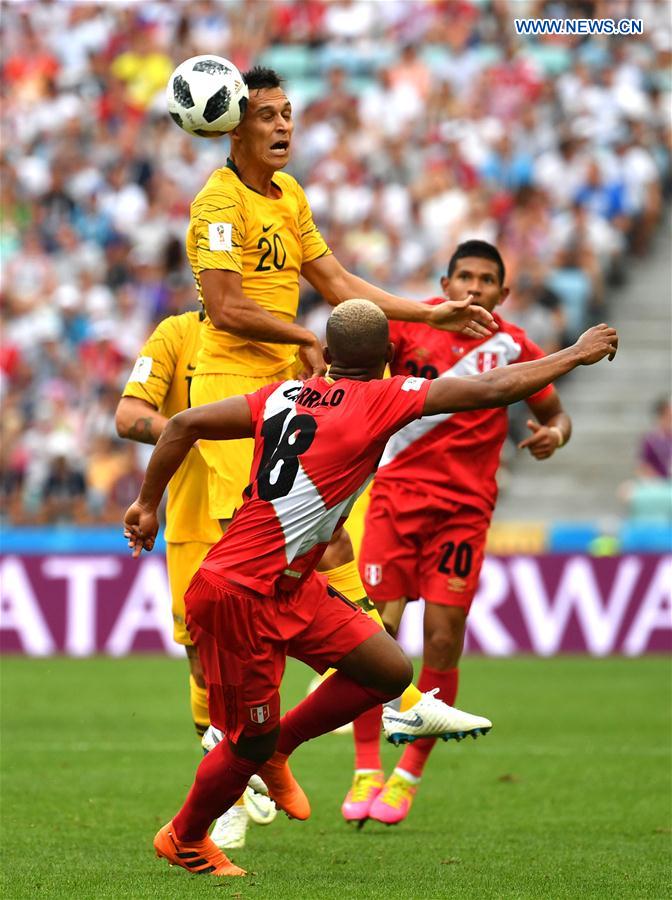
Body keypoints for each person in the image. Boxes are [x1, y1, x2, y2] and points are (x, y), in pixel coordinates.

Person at [123, 299, 618, 878]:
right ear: (387, 356)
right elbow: (489, 389)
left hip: (286, 583)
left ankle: (280, 746)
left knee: (387, 671)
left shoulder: (281, 394)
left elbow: (182, 424)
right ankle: (184, 837)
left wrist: (145, 504)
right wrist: (575, 354)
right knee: (245, 744)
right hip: (240, 592)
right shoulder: (382, 397)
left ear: (327, 356)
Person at [183, 63, 499, 813]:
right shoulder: (217, 205)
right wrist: (308, 336)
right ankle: (240, 743)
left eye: (290, 113)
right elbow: (226, 308)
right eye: (267, 116)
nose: (284, 126)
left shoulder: (289, 196)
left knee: (330, 544)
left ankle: (292, 734)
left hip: (292, 388)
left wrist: (429, 315)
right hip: (233, 385)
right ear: (231, 124)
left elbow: (337, 283)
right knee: (255, 558)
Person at [347, 241, 573, 827]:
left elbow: (555, 412)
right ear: (445, 283)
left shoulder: (515, 348)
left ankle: (406, 778)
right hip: (394, 499)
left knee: (442, 639)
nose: (473, 289)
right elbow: (356, 374)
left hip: (463, 511)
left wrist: (557, 434)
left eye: (486, 280)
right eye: (463, 277)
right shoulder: (407, 329)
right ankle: (366, 766)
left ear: (503, 292)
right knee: (377, 637)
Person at [116, 310, 276, 850]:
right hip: (191, 518)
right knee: (202, 661)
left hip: (263, 515)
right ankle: (227, 797)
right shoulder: (176, 334)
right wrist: (199, 429)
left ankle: (260, 764)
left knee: (260, 652)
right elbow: (127, 415)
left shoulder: (280, 337)